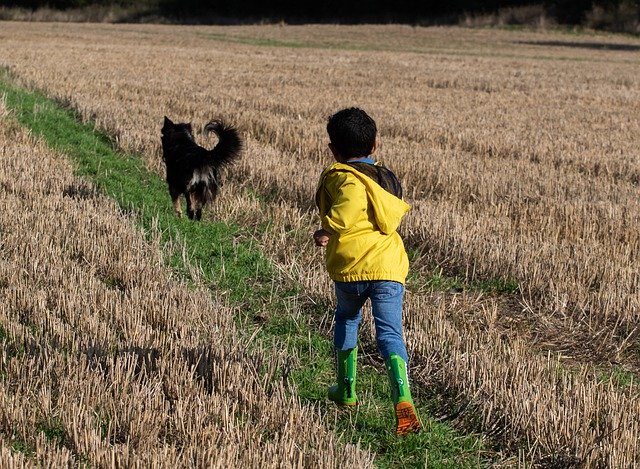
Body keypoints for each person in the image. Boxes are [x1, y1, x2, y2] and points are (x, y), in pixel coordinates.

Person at [313, 107, 421, 436]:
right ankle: (402, 395)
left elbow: (346, 210)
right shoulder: (387, 180)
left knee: (347, 318)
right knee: (390, 334)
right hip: (388, 268)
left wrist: (327, 229)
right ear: (375, 146)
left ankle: (346, 391)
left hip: (352, 269)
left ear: (333, 150)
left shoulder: (345, 177)